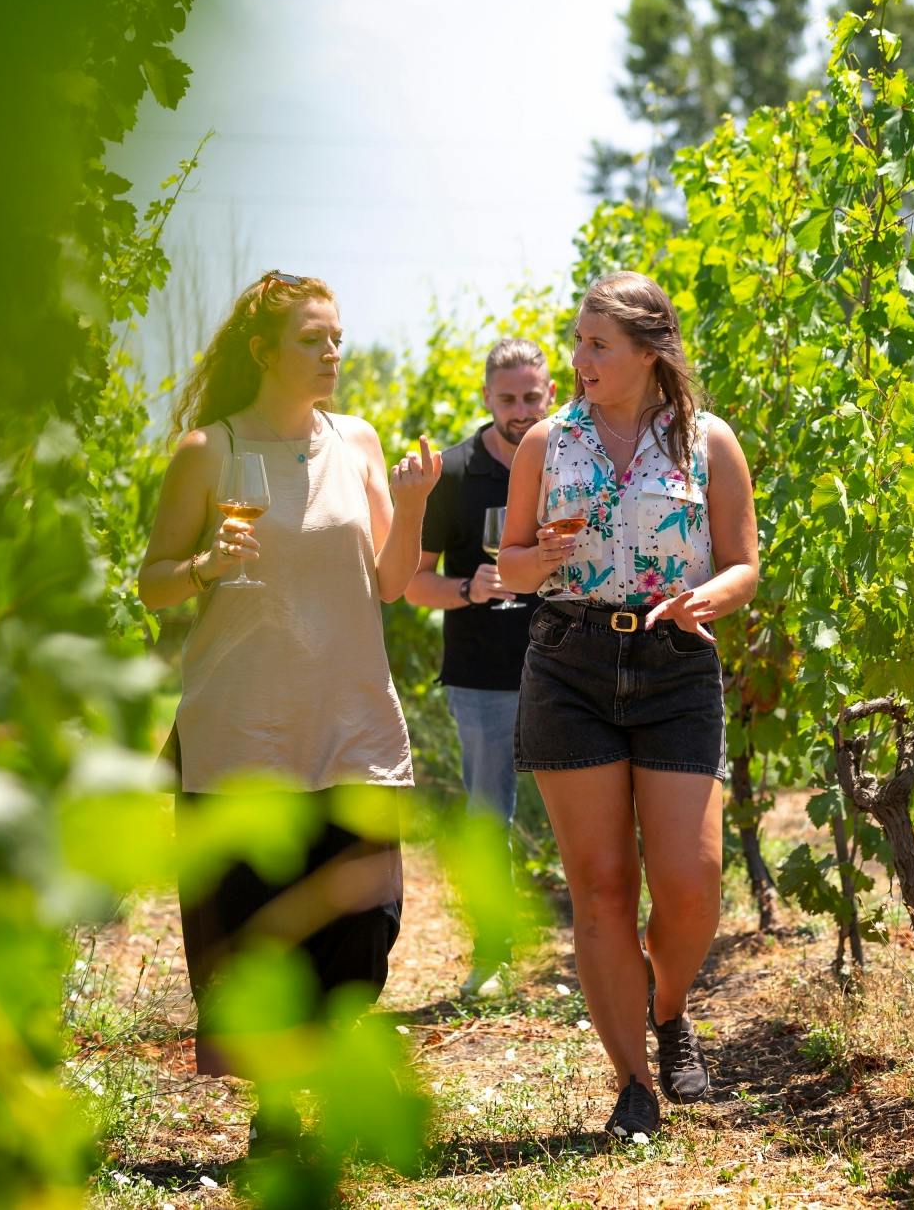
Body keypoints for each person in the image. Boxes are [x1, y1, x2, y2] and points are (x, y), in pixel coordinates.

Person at [136, 269, 440, 1081]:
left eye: (336, 336)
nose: (332, 351)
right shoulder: (209, 451)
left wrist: (409, 510)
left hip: (348, 721)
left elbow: (393, 582)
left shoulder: (360, 441)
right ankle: (277, 1107)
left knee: (362, 921)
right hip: (242, 728)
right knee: (253, 929)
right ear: (264, 350)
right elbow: (152, 580)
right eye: (313, 338)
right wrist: (203, 565)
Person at [497, 271, 759, 1140]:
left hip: (675, 661)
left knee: (691, 882)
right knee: (602, 886)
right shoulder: (546, 442)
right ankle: (635, 1083)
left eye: (596, 343)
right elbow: (512, 569)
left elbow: (742, 563)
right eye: (576, 341)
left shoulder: (707, 441)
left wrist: (708, 600)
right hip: (570, 660)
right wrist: (539, 556)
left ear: (651, 350)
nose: (578, 360)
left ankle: (669, 1003)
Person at [405, 337, 556, 998]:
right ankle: (490, 956)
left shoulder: (566, 461)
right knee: (488, 814)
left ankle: (590, 949)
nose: (521, 410)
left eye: (531, 396)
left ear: (549, 394)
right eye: (508, 398)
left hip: (562, 667)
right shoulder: (458, 474)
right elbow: (414, 582)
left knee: (589, 811)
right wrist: (471, 590)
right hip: (481, 677)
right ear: (487, 399)